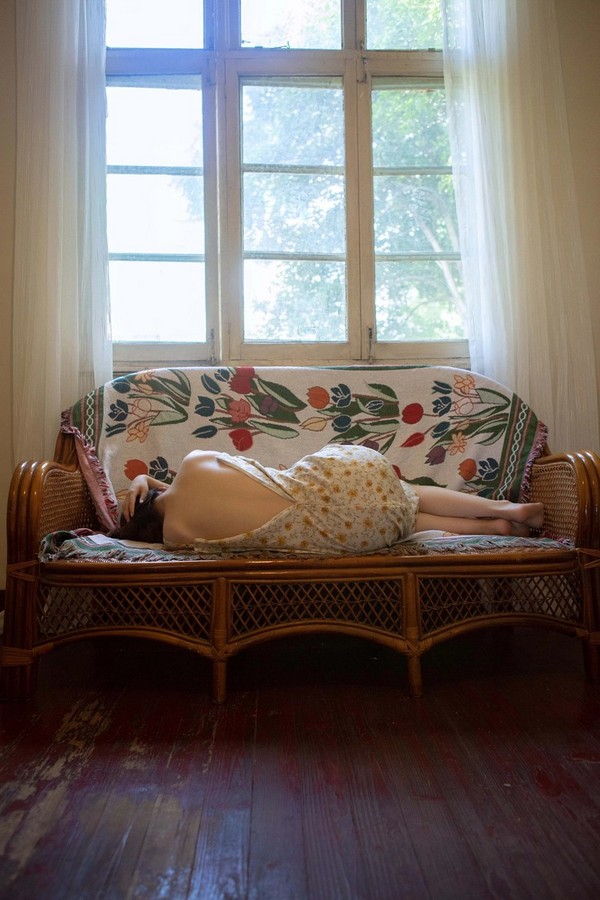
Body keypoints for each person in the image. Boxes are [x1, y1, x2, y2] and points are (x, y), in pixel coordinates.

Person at [110, 444, 544, 555]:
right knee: (406, 494)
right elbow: (183, 486)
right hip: (340, 478)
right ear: (152, 493)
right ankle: (505, 508)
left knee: (404, 521)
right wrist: (144, 477)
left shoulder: (176, 536)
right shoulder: (192, 461)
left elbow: (178, 511)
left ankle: (499, 527)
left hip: (344, 532)